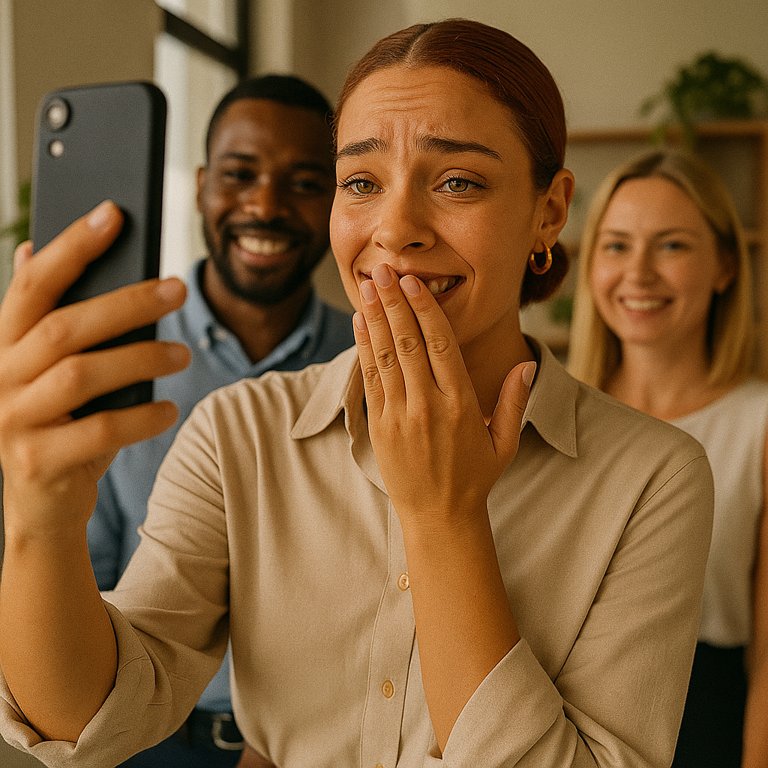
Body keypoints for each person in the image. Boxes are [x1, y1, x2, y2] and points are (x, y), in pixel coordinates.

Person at [0, 19, 714, 767]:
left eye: (458, 182)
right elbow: (90, 720)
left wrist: (444, 518)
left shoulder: (652, 476)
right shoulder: (239, 430)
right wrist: (39, 522)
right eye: (361, 183)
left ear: (550, 211)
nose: (395, 228)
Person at [83, 73, 354, 768]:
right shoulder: (119, 362)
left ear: (337, 200)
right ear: (202, 184)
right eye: (240, 174)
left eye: (303, 182)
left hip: (332, 742)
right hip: (150, 742)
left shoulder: (372, 366)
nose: (264, 205)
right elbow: (83, 585)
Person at [568, 148, 768, 768]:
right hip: (557, 716)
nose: (640, 273)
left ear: (726, 266)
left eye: (673, 246)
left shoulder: (757, 425)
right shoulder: (548, 412)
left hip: (706, 724)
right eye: (617, 245)